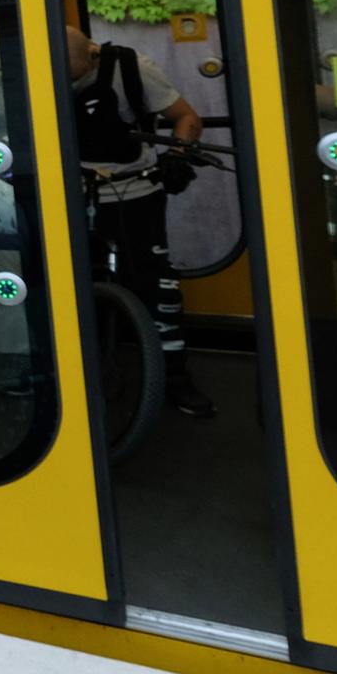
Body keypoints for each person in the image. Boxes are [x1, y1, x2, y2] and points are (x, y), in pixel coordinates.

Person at [67, 26, 213, 417]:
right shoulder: (41, 75)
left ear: (92, 55)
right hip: (70, 198)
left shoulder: (134, 69)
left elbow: (186, 118)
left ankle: (175, 379)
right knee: (73, 287)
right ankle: (86, 373)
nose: (69, 82)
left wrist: (178, 157)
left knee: (155, 287)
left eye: (75, 74)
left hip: (135, 193)